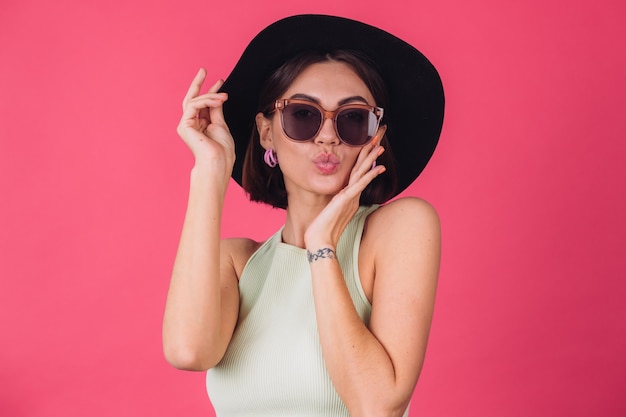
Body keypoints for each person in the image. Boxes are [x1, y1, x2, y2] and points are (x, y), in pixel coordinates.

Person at [162, 14, 445, 417]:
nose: (327, 135)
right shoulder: (237, 265)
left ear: (377, 136)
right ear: (266, 132)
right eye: (303, 115)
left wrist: (322, 245)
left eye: (352, 119)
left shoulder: (400, 229)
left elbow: (377, 404)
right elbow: (188, 351)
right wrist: (211, 170)